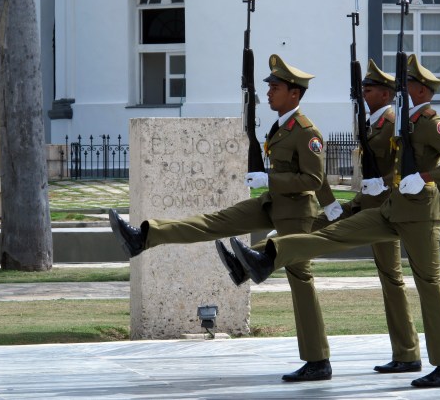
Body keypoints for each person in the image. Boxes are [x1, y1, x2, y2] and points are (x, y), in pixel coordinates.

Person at [228, 54, 440, 389]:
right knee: (332, 234)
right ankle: (267, 255)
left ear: (421, 91)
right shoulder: (403, 123)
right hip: (391, 209)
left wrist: (427, 176)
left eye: (406, 85)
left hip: (421, 214)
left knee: (428, 285)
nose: (401, 90)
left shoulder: (425, 122)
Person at [109, 54, 339, 382]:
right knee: (215, 221)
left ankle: (318, 360)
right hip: (272, 203)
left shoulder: (306, 130)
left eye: (276, 86)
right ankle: (144, 237)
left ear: (295, 94)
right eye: (269, 86)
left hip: (296, 213)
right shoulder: (280, 127)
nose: (270, 92)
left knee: (300, 281)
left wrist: (272, 181)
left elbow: (314, 180)